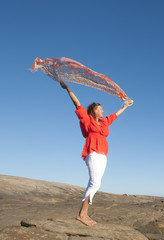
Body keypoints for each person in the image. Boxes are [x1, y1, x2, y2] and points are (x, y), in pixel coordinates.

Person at [60, 81, 132, 226]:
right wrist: (68, 89)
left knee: (95, 184)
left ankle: (84, 214)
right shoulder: (86, 120)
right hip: (92, 152)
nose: (103, 111)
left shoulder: (104, 122)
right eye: (100, 109)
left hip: (103, 155)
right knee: (95, 182)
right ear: (94, 111)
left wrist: (125, 106)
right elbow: (77, 103)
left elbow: (115, 115)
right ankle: (81, 214)